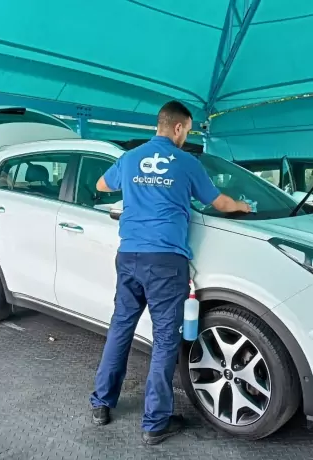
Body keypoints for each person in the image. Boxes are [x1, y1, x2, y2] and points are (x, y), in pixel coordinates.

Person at [89, 100, 251, 445]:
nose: (186, 136)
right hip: (165, 260)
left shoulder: (131, 158)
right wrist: (242, 206)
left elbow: (103, 186)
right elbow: (220, 203)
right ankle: (154, 423)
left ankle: (101, 404)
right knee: (165, 339)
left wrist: (138, 187)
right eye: (188, 130)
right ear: (178, 127)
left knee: (121, 327)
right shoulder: (186, 163)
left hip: (129, 254)